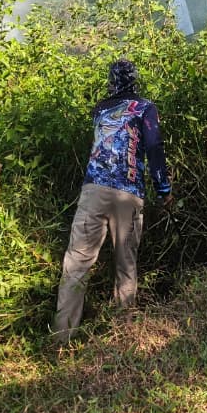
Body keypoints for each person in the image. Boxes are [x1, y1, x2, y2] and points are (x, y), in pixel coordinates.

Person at [53, 59, 173, 344]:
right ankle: (123, 335)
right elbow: (154, 146)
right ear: (136, 80)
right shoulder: (146, 107)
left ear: (111, 82)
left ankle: (61, 338)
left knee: (76, 265)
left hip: (93, 190)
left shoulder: (100, 109)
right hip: (128, 193)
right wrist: (163, 189)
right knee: (126, 264)